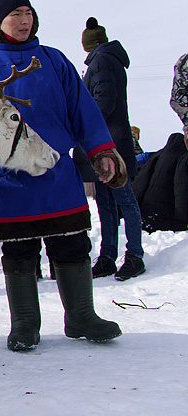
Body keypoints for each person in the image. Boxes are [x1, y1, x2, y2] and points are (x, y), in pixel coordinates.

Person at [0, 0, 125, 351]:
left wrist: (102, 150)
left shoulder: (54, 61)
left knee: (72, 245)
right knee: (19, 251)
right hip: (9, 180)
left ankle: (81, 316)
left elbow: (83, 110)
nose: (24, 20)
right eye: (15, 14)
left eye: (28, 13)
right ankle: (25, 323)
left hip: (56, 172)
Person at [78, 17, 145, 281]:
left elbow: (104, 102)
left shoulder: (102, 61)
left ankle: (135, 256)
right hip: (104, 145)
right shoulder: (104, 59)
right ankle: (107, 257)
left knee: (124, 202)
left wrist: (85, 127)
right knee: (106, 204)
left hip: (110, 146)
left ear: (88, 45)